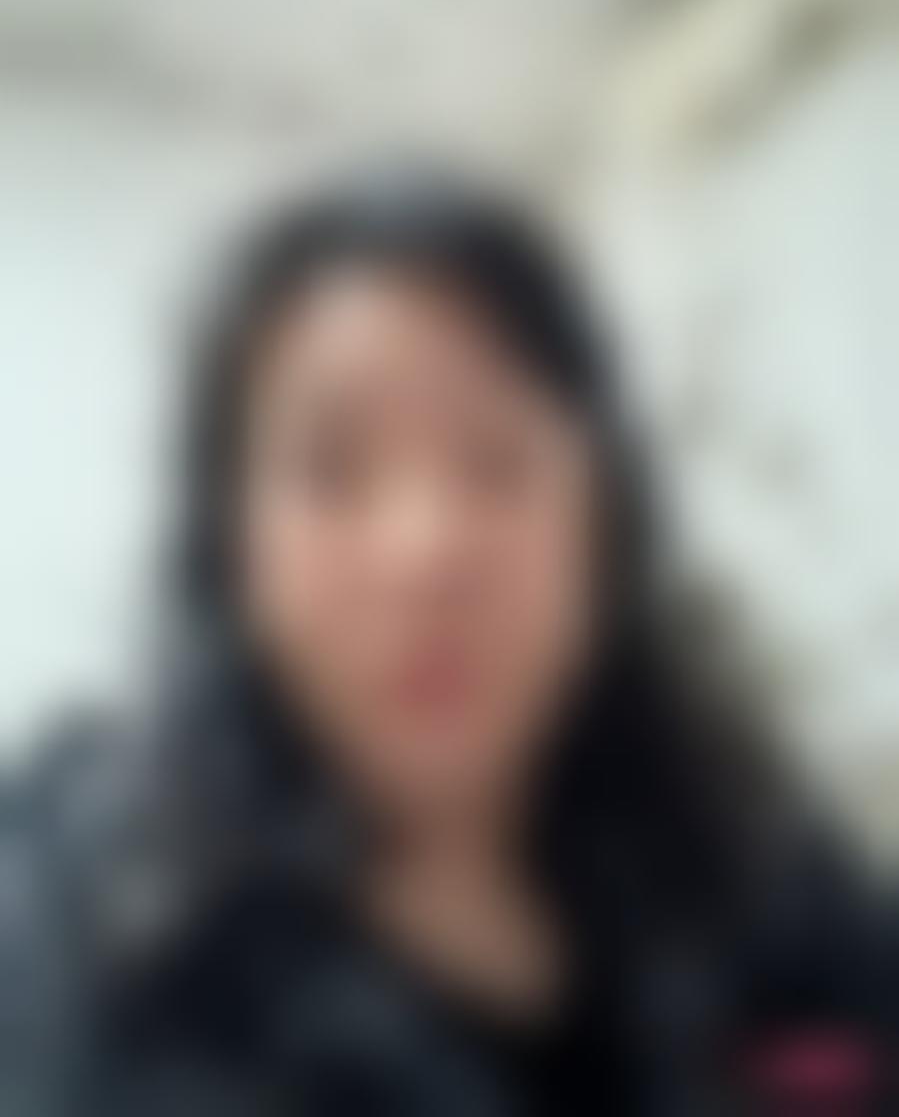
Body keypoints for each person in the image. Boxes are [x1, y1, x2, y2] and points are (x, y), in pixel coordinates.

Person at [2, 166, 892, 1114]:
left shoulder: (752, 858)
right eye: (331, 470)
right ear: (230, 552)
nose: (424, 550)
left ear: (603, 524)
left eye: (496, 460)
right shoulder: (72, 911)